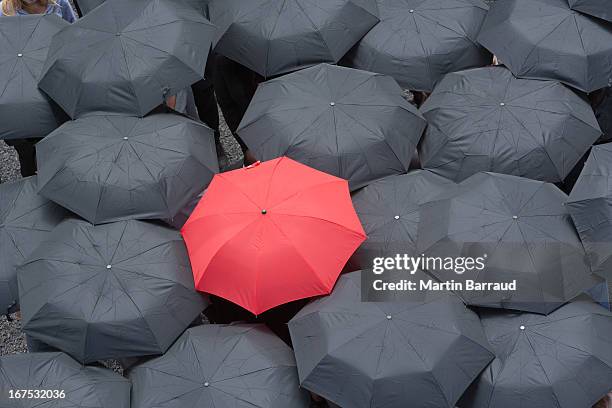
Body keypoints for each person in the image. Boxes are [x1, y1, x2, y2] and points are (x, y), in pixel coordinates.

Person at [0, 0, 76, 177]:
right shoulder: (4, 12)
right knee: (27, 154)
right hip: (19, 95)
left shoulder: (59, 4)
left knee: (60, 146)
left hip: (54, 86)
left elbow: (75, 35)